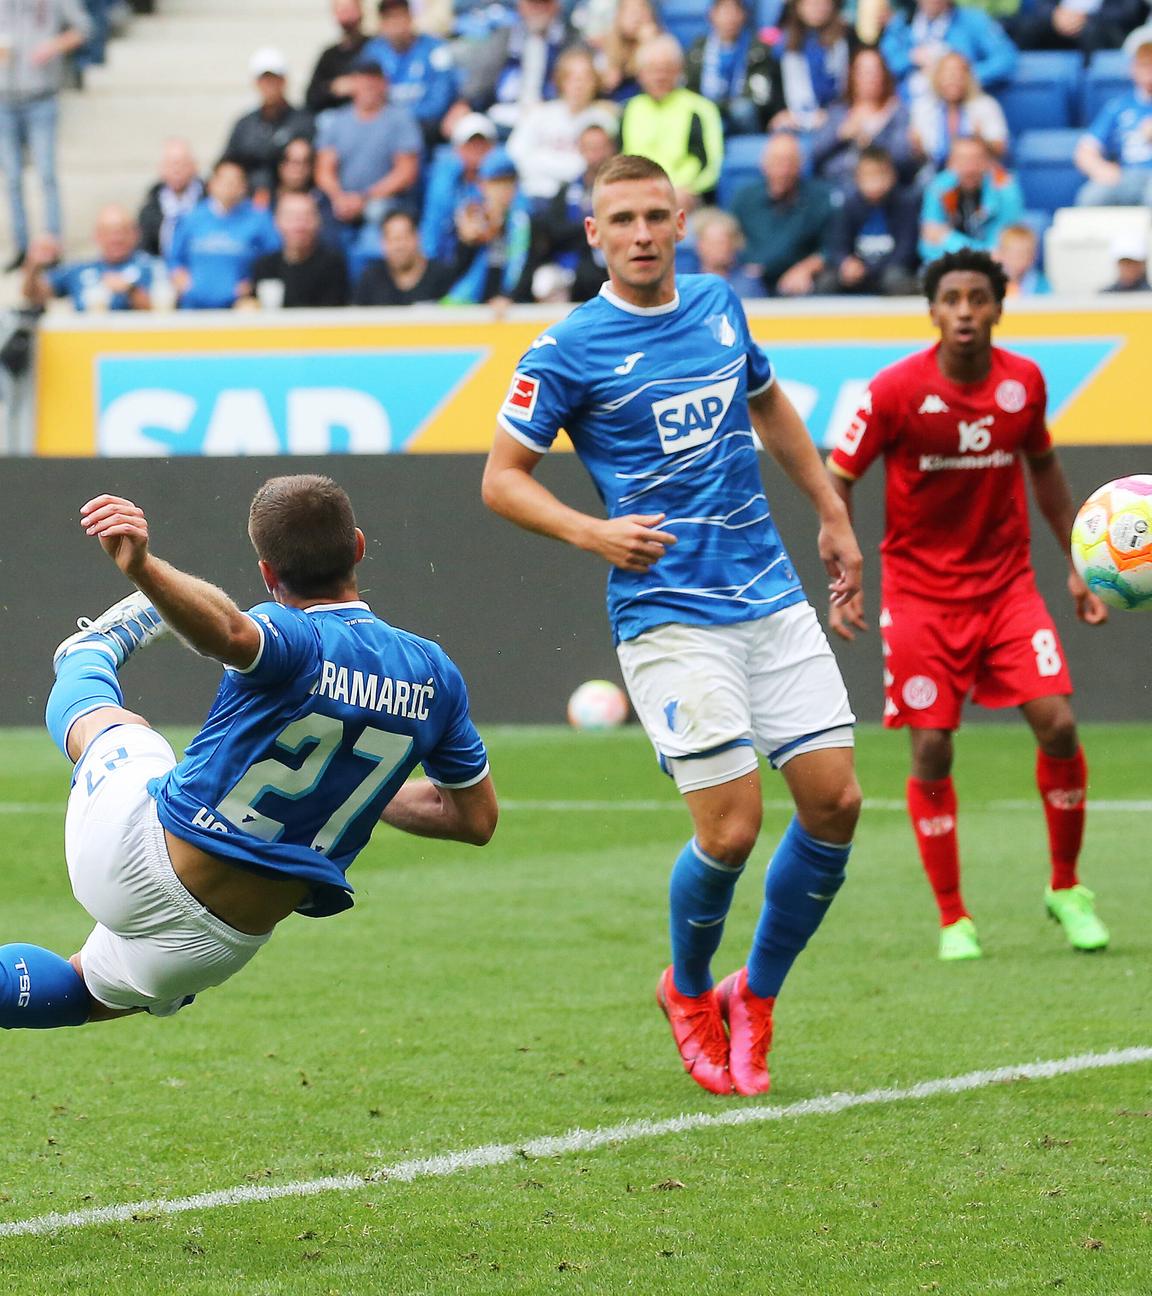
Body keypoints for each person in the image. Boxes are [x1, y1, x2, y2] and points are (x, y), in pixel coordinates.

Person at [482, 153, 863, 1098]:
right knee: (732, 831)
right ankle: (688, 990)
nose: (643, 234)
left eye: (657, 215)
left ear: (681, 220)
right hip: (667, 614)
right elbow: (500, 480)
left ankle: (756, 996)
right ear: (595, 235)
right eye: (624, 220)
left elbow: (769, 403)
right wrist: (592, 530)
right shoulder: (564, 349)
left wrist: (831, 511)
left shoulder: (720, 305)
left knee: (837, 804)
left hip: (769, 595)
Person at [2, 476, 496, 1030]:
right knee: (80, 994)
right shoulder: (435, 675)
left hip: (139, 857)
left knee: (124, 730)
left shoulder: (291, 634)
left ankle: (91, 651)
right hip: (221, 940)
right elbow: (474, 819)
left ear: (266, 572)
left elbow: (232, 635)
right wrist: (349, 786)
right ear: (358, 546)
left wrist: (143, 567)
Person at [826, 248, 1109, 961]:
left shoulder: (1024, 384)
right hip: (921, 598)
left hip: (1008, 589)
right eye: (950, 298)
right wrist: (847, 567)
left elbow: (1042, 467)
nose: (964, 311)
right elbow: (838, 475)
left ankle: (1067, 888)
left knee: (1060, 726)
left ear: (997, 308)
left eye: (978, 298)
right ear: (932, 311)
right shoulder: (893, 391)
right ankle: (954, 917)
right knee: (932, 744)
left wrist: (1076, 561)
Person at [0, 0, 91, 270]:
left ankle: (52, 245)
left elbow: (83, 28)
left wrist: (53, 46)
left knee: (46, 175)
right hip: (4, 101)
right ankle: (23, 247)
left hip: (41, 97)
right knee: (12, 177)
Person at [313, 56, 422, 245]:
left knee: (375, 226)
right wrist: (339, 197)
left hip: (383, 201)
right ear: (353, 83)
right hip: (341, 201)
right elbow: (324, 170)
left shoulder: (400, 120)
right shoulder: (336, 121)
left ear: (384, 83)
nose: (368, 84)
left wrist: (364, 198)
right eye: (362, 78)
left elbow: (406, 173)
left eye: (374, 79)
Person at [621, 34, 725, 211]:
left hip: (685, 197)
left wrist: (691, 190)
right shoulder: (630, 109)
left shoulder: (701, 108)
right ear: (640, 74)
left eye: (666, 69)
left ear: (679, 71)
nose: (659, 76)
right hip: (637, 196)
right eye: (652, 69)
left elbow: (713, 166)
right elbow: (620, 160)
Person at [168, 158, 280, 310]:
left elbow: (275, 257)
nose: (229, 186)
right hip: (193, 307)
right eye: (224, 180)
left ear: (244, 186)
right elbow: (174, 258)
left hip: (239, 307)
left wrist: (254, 284)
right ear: (211, 184)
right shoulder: (191, 218)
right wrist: (182, 280)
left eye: (235, 180)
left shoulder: (259, 219)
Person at [505, 47, 615, 202]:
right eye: (572, 77)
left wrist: (541, 160)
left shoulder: (603, 119)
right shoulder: (540, 114)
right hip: (534, 193)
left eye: (586, 77)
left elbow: (595, 165)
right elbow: (516, 154)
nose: (579, 84)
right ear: (561, 81)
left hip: (580, 199)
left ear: (595, 82)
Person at [731, 131, 833, 296]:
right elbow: (731, 238)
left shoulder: (820, 199)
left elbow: (831, 248)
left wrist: (806, 269)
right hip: (752, 277)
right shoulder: (745, 197)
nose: (783, 170)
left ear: (800, 165)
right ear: (763, 163)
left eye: (789, 162)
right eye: (777, 162)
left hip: (797, 278)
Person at [810, 47, 919, 197]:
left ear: (884, 75)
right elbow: (814, 155)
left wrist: (872, 139)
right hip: (837, 188)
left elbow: (903, 159)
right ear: (852, 76)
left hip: (882, 193)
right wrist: (841, 135)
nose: (870, 77)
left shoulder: (897, 112)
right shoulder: (837, 111)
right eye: (863, 71)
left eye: (875, 71)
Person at [456, 0, 574, 130]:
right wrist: (464, 102)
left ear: (555, 6)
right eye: (533, 4)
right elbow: (481, 79)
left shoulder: (569, 39)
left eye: (544, 3)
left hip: (553, 112)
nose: (539, 9)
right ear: (521, 6)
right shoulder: (506, 36)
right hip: (507, 112)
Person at [818, 146, 919, 295]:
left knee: (897, 280)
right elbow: (837, 245)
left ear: (892, 176)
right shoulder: (848, 206)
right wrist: (845, 263)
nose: (874, 181)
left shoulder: (906, 204)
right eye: (868, 175)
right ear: (857, 178)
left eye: (879, 174)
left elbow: (905, 251)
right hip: (855, 272)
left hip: (887, 270)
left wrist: (870, 269)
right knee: (827, 282)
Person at [362, 0, 461, 149]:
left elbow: (442, 96)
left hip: (428, 126)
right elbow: (365, 94)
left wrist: (405, 119)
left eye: (399, 16)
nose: (395, 24)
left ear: (410, 17)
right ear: (381, 23)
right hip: (385, 128)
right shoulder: (372, 53)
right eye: (389, 18)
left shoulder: (435, 49)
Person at [222, 48, 314, 203]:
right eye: (264, 80)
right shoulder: (245, 124)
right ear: (256, 83)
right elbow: (228, 162)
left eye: (274, 79)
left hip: (291, 200)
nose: (269, 85)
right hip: (247, 201)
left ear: (284, 81)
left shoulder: (303, 122)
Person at [1074, 27, 1152, 208]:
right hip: (1127, 175)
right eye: (1144, 64)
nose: (1149, 71)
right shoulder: (1118, 107)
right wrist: (1101, 168)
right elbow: (1085, 150)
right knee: (1090, 197)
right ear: (1133, 68)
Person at [22, 204, 154, 311]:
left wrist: (131, 291)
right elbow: (35, 295)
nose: (116, 239)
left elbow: (165, 309)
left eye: (122, 231)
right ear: (97, 236)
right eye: (108, 232)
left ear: (135, 234)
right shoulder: (79, 270)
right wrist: (33, 264)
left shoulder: (150, 267)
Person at [879, 0, 1018, 100]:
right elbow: (881, 67)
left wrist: (962, 77)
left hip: (960, 109)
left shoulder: (973, 20)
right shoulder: (902, 24)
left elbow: (1006, 58)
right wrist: (911, 57)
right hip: (909, 109)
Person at [684, 0, 785, 136]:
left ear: (744, 15)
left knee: (742, 110)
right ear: (712, 14)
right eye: (724, 11)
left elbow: (760, 96)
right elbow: (689, 88)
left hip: (743, 114)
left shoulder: (757, 48)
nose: (730, 17)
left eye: (735, 11)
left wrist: (721, 107)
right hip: (707, 109)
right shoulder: (698, 47)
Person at [919, 136, 1023, 262]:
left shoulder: (1005, 190)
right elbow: (927, 247)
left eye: (976, 160)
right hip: (948, 266)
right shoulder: (938, 188)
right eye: (962, 160)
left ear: (988, 163)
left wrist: (947, 238)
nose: (969, 168)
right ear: (949, 164)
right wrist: (978, 252)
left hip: (991, 269)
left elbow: (1000, 253)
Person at [909, 51, 1008, 172]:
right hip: (934, 173)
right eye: (947, 74)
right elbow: (921, 157)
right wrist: (916, 147)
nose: (952, 79)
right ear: (937, 77)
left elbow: (1001, 149)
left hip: (977, 172)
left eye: (958, 74)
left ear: (968, 78)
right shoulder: (923, 108)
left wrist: (981, 140)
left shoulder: (985, 105)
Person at [246, 192, 349, 307]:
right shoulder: (265, 266)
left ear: (318, 221)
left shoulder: (333, 265)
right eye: (291, 217)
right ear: (276, 221)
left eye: (306, 217)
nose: (299, 225)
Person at [419, 110, 495, 261]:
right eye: (470, 145)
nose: (477, 150)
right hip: (450, 260)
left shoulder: (503, 179)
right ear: (457, 149)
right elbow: (433, 225)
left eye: (482, 144)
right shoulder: (446, 180)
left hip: (487, 258)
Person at [772, 0, 856, 134]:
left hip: (840, 114)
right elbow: (775, 94)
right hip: (795, 118)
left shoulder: (849, 38)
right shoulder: (783, 45)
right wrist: (783, 114)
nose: (817, 6)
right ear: (798, 6)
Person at [354, 207, 456, 303]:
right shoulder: (371, 279)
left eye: (404, 237)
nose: (399, 246)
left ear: (417, 237)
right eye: (393, 239)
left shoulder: (441, 276)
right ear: (383, 243)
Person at [138, 139, 205, 259]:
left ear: (194, 167)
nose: (177, 170)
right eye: (171, 164)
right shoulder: (150, 209)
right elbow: (144, 249)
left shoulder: (209, 201)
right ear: (161, 169)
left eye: (182, 164)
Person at [306, 0, 369, 114]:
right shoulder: (329, 56)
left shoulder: (375, 47)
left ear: (360, 11)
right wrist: (333, 88)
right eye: (341, 10)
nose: (346, 16)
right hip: (340, 116)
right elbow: (311, 97)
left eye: (350, 9)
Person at [690, 206, 763, 298]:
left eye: (724, 243)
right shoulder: (687, 284)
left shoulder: (748, 283)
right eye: (714, 243)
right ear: (699, 246)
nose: (722, 248)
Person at [995, 222, 1048, 295]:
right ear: (1000, 254)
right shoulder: (992, 283)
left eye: (1023, 255)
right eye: (1013, 255)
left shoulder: (1042, 285)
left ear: (1033, 257)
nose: (1017, 261)